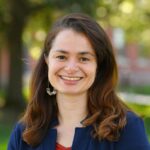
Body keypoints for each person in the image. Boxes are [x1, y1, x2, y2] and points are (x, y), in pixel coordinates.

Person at [8, 13, 150, 150]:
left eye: (84, 58)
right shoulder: (24, 133)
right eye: (61, 57)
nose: (70, 68)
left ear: (98, 66)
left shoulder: (127, 129)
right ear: (47, 61)